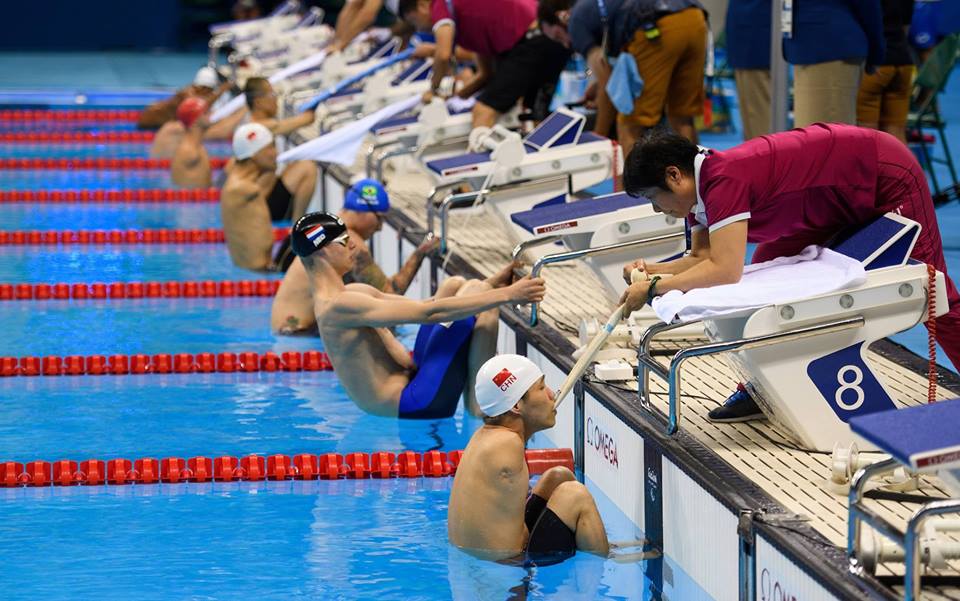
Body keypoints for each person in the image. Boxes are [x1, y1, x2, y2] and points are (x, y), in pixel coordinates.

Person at [618, 125, 960, 421]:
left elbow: (725, 269)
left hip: (882, 173)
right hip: (831, 196)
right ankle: (764, 387)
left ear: (674, 176)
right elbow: (701, 256)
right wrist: (651, 270)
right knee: (771, 261)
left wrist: (654, 288)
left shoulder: (721, 180)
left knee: (934, 292)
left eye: (653, 198)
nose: (656, 209)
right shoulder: (698, 191)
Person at [289, 211, 546, 418]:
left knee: (453, 285)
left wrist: (494, 282)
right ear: (322, 251)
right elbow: (428, 313)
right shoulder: (339, 305)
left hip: (411, 382)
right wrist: (510, 294)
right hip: (411, 402)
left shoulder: (351, 293)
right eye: (344, 241)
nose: (353, 245)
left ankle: (476, 400)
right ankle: (480, 408)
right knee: (482, 298)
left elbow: (425, 304)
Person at [448, 353, 610, 564]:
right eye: (542, 388)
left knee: (558, 476)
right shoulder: (508, 445)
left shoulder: (486, 437)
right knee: (575, 495)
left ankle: (592, 542)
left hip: (484, 561)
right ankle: (606, 562)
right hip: (510, 569)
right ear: (516, 406)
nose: (552, 395)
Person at [271, 179, 440, 334]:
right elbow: (391, 293)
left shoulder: (327, 229)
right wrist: (421, 252)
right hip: (302, 337)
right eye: (379, 219)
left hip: (288, 332)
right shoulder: (350, 244)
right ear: (362, 212)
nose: (380, 227)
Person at [538, 0, 707, 155]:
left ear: (561, 17)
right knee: (681, 117)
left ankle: (628, 188)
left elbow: (607, 85)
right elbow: (607, 72)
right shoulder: (592, 7)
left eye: (559, 36)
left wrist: (598, 138)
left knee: (630, 124)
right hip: (694, 18)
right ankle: (697, 181)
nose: (566, 44)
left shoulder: (575, 21)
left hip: (657, 28)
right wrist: (598, 83)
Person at [399, 0, 571, 128]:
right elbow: (485, 75)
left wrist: (433, 89)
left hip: (534, 38)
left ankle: (479, 173)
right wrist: (454, 97)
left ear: (422, 5)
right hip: (549, 40)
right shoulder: (470, 20)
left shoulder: (439, 4)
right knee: (532, 115)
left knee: (483, 111)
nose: (419, 29)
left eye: (415, 22)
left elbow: (443, 55)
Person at [221, 123, 316, 272]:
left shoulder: (245, 182)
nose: (276, 153)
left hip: (263, 270)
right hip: (256, 277)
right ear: (254, 154)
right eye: (270, 147)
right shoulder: (241, 189)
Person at [784, 0, 884, 128]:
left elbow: (869, 7)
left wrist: (876, 53)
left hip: (829, 46)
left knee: (826, 136)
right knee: (813, 134)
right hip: (808, 46)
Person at [856, 0, 915, 144]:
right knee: (897, 134)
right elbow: (906, 28)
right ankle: (905, 167)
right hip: (903, 63)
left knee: (869, 136)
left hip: (875, 66)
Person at [725, 0, 771, 140]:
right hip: (744, 34)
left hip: (757, 35)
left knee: (758, 115)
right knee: (750, 116)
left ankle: (764, 158)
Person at [171, 98, 213, 188]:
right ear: (195, 120)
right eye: (206, 112)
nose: (211, 114)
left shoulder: (196, 145)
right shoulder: (189, 151)